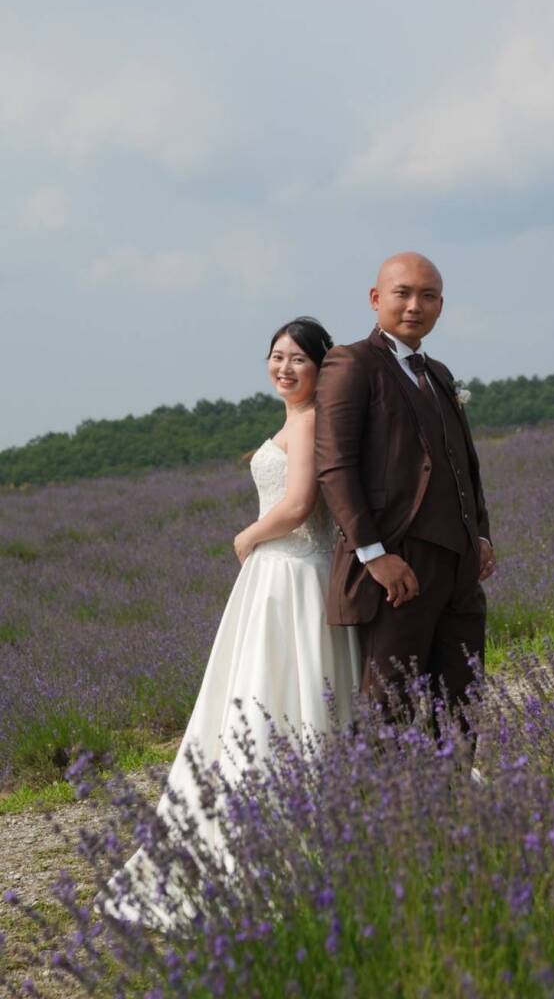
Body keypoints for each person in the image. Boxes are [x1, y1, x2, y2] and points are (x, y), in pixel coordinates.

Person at [99, 316, 360, 925]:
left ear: (321, 367)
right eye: (276, 357)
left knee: (291, 694)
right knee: (258, 696)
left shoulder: (315, 421)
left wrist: (247, 535)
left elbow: (297, 506)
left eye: (298, 359)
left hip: (293, 572)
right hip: (276, 576)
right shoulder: (294, 419)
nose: (285, 368)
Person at [314, 253, 495, 732]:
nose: (415, 305)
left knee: (462, 700)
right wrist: (374, 555)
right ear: (376, 299)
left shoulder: (437, 371)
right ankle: (388, 806)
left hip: (459, 566)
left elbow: (464, 462)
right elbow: (335, 468)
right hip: (399, 566)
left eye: (428, 296)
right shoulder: (351, 363)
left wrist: (480, 535)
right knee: (388, 706)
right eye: (403, 293)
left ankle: (452, 802)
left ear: (441, 306)